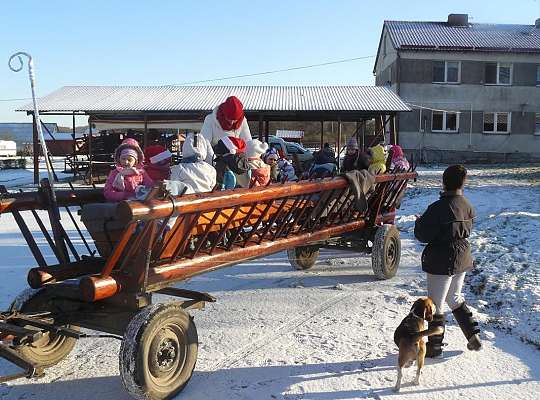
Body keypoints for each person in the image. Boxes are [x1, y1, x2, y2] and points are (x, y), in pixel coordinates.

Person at [414, 164, 482, 358]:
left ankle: (435, 348)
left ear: (444, 183)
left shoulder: (437, 208)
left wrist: (419, 223)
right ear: (463, 183)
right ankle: (473, 335)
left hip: (441, 258)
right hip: (462, 256)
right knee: (454, 298)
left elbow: (422, 235)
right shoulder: (468, 206)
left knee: (436, 304)